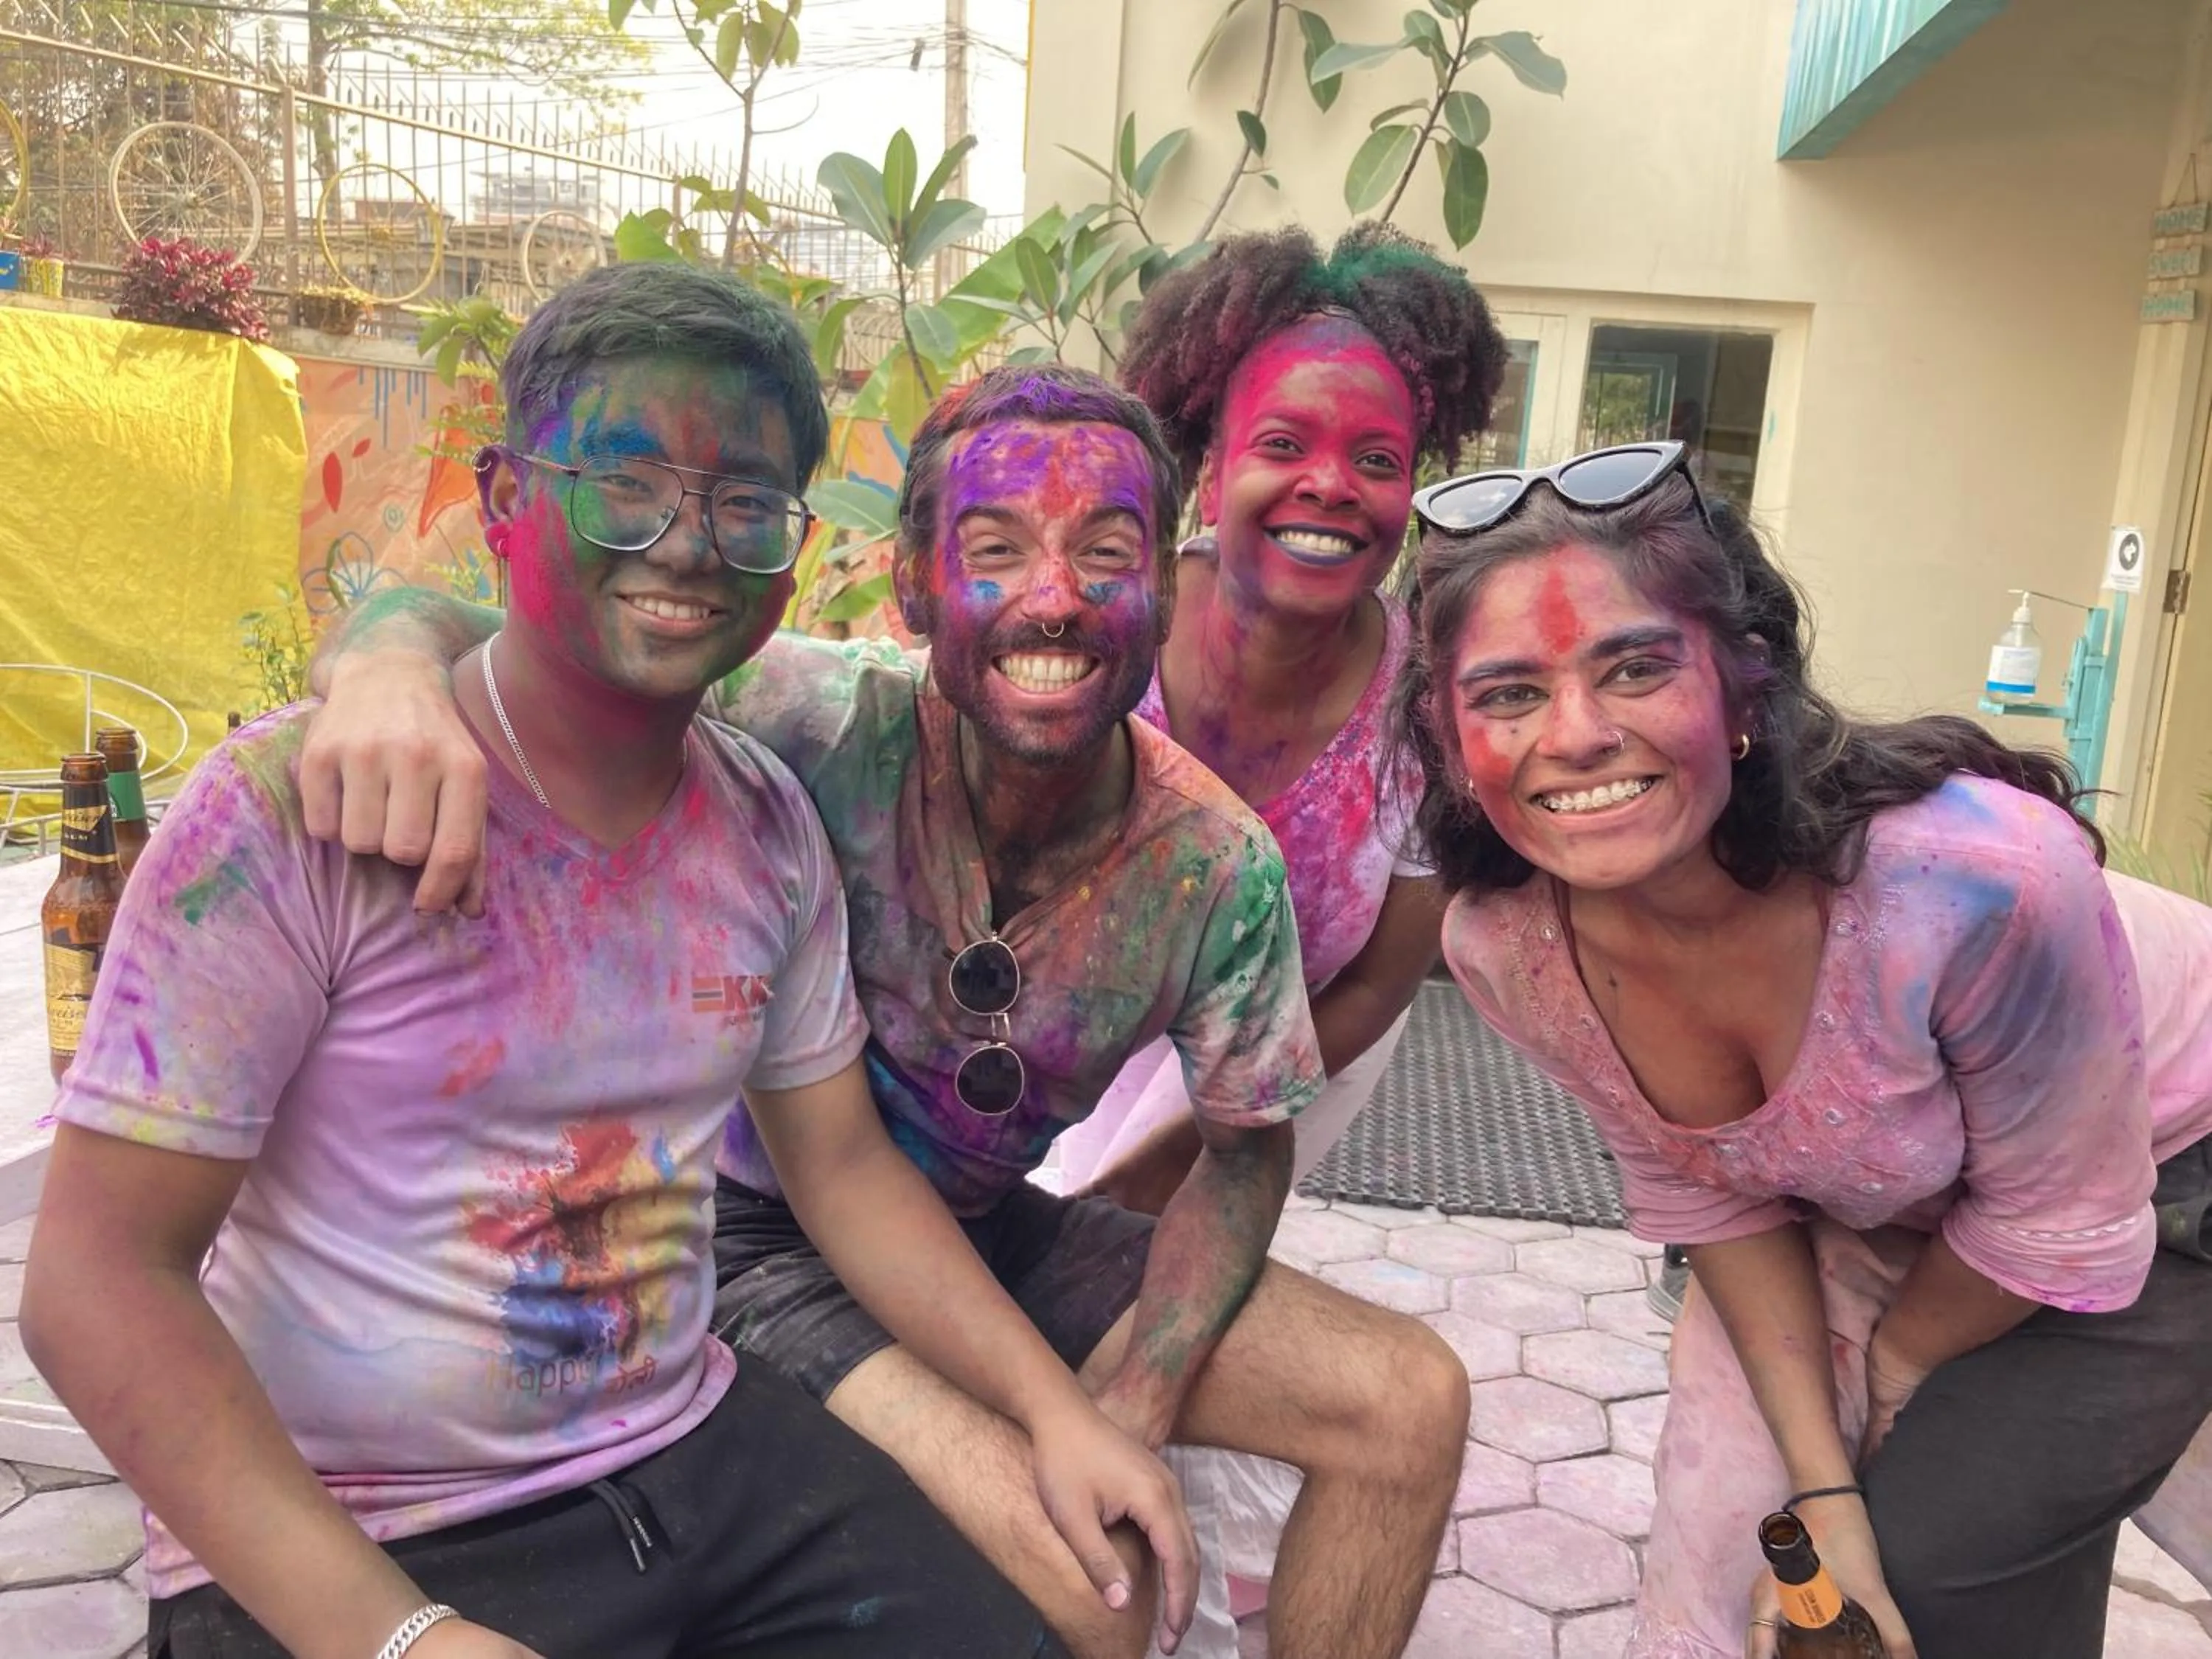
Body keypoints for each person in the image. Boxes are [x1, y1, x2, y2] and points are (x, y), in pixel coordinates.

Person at [19, 263, 1128, 1659]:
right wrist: (400, 1636)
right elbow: (96, 1281)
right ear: (501, 500)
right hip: (357, 1528)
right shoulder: (289, 814)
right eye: (625, 481)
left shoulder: (766, 825)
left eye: (741, 501)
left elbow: (840, 1170)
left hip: (693, 1451)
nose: (686, 543)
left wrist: (1058, 1411)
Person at [296, 362, 1473, 1659]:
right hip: (738, 1242)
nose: (1054, 596)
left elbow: (1247, 1155)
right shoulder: (802, 718)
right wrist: (391, 674)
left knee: (1408, 1401)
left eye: (1105, 551)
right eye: (996, 547)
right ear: (914, 584)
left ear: (1161, 591)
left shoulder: (1212, 862)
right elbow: (489, 630)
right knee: (1103, 1583)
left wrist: (1131, 1392)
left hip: (979, 1235)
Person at [1394, 437, 2212, 1659]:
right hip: (1908, 1204)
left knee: (1937, 1562)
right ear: (1451, 740)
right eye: (1509, 693)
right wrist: (1821, 1486)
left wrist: (1889, 1378)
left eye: (1635, 667)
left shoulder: (1975, 883)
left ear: (1745, 688)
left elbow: (2060, 1224)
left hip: (2165, 1183)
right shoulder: (1508, 945)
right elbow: (1712, 1198)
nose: (1575, 733)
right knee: (1746, 1583)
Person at [1054, 221, 1507, 1212]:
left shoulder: (1429, 709)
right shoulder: (1094, 629)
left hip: (1296, 1043)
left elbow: (1379, 989)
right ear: (1209, 470)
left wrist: (1180, 1154)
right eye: (1283, 443)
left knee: (1133, 1269)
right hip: (1060, 1020)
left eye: (1379, 459)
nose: (1332, 485)